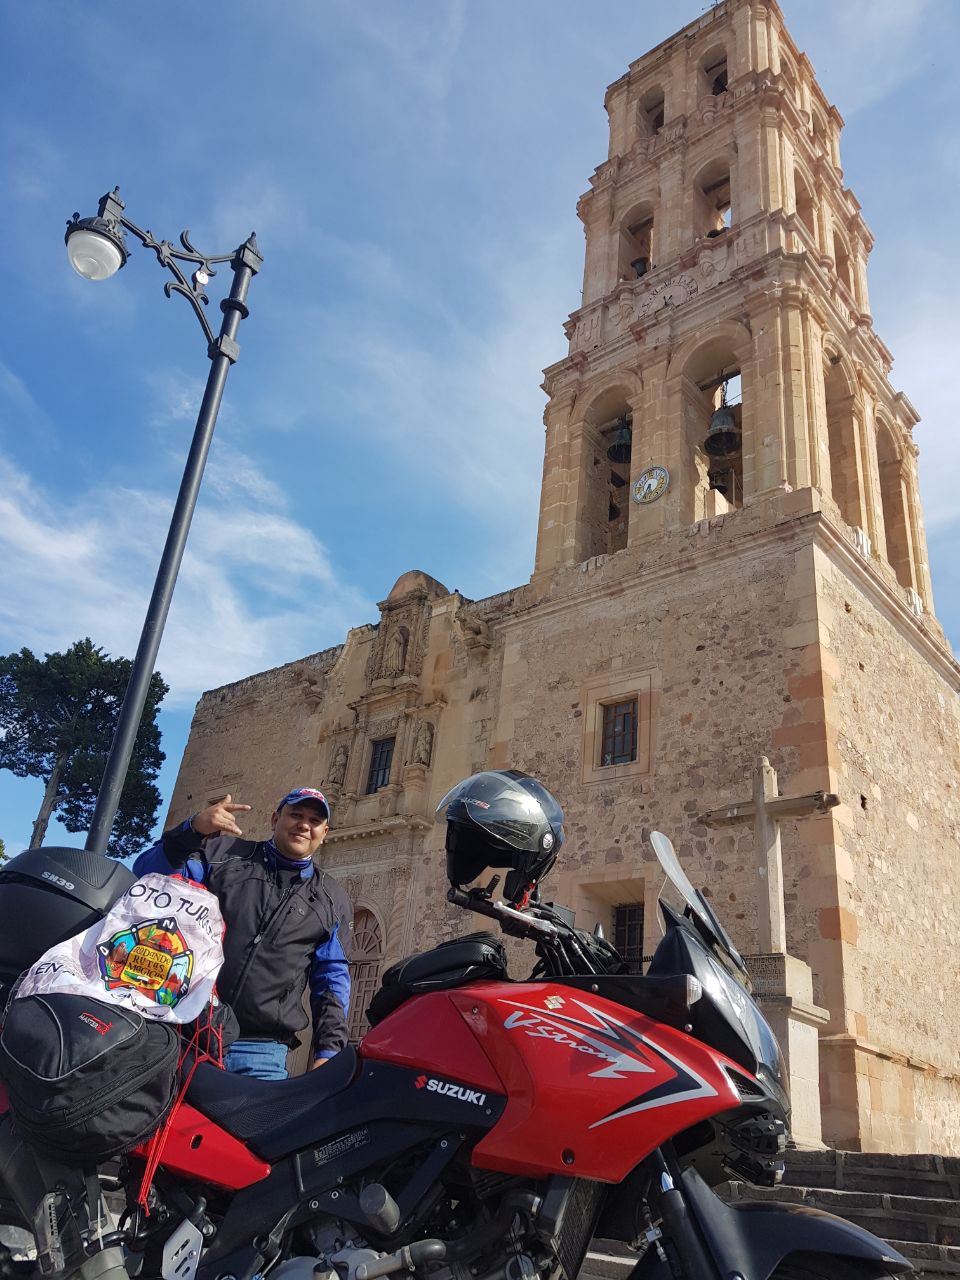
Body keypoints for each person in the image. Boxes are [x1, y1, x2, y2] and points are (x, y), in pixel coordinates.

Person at [134, 787, 351, 1080]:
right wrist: (193, 829)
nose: (303, 825)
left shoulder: (330, 897)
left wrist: (329, 1050)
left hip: (262, 1052)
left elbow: (331, 979)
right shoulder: (221, 856)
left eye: (314, 821)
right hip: (185, 1032)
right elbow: (150, 877)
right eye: (296, 815)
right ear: (275, 819)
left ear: (324, 832)